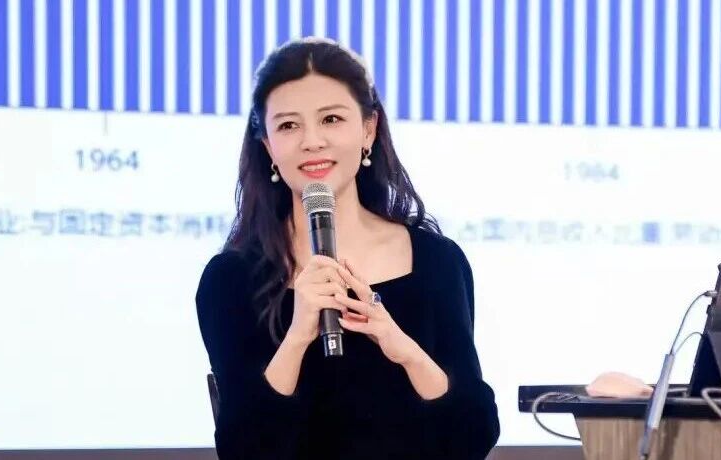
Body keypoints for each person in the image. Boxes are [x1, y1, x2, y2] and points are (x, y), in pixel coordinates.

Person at [195, 37, 500, 459]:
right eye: (288, 126)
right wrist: (298, 335)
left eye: (332, 119)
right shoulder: (231, 279)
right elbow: (243, 449)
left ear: (368, 129)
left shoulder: (436, 262)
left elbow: (473, 436)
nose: (312, 141)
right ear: (267, 146)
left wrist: (406, 351)